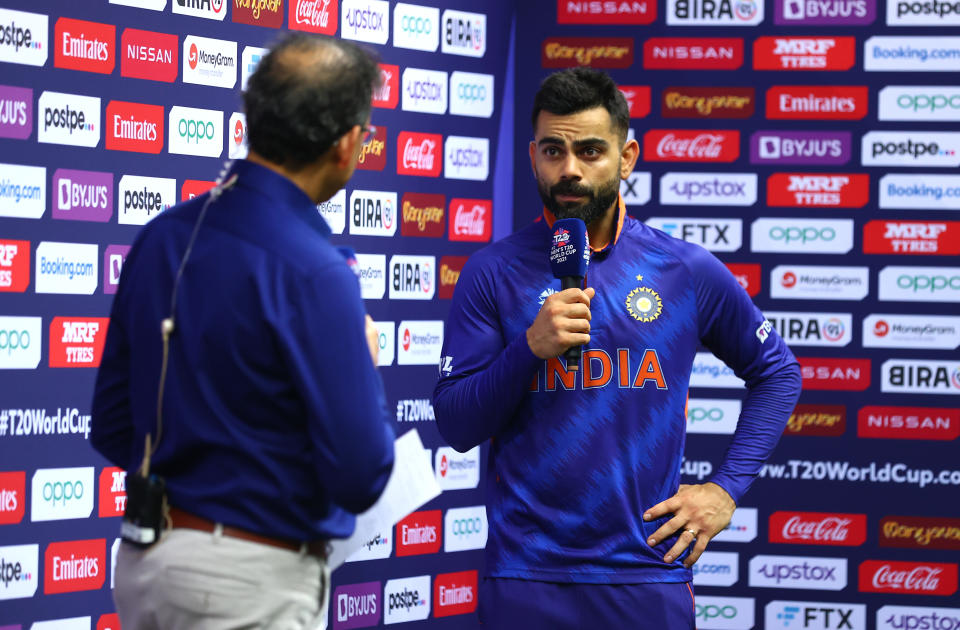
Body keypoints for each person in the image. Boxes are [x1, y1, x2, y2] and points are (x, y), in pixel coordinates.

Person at [433, 68, 802, 629]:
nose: (570, 170)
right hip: (526, 576)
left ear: (626, 157)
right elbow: (457, 426)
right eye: (553, 151)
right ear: (533, 156)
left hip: (645, 576)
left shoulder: (682, 269)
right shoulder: (492, 271)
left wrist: (724, 491)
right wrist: (530, 348)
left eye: (590, 151)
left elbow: (776, 373)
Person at [91, 33, 395, 630]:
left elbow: (112, 425)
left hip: (147, 563)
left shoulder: (162, 237)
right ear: (346, 144)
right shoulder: (317, 271)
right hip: (249, 583)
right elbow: (362, 476)